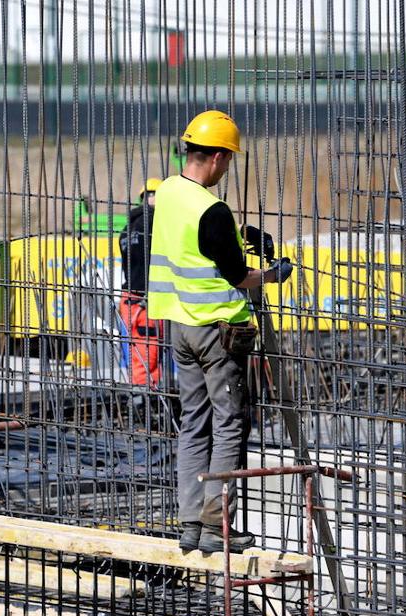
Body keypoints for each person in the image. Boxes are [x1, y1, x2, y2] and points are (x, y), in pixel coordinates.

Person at [147, 110, 294, 555]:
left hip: (180, 326)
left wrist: (236, 233)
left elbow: (192, 235)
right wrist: (273, 274)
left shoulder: (169, 191)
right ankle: (217, 527)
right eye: (226, 159)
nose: (227, 167)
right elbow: (236, 275)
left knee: (193, 423)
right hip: (217, 332)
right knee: (229, 424)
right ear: (212, 157)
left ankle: (190, 523)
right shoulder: (212, 208)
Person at [117, 177, 163, 387]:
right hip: (146, 300)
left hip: (129, 299)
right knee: (148, 354)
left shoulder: (127, 229)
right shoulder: (154, 222)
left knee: (138, 351)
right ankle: (145, 401)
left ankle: (142, 397)